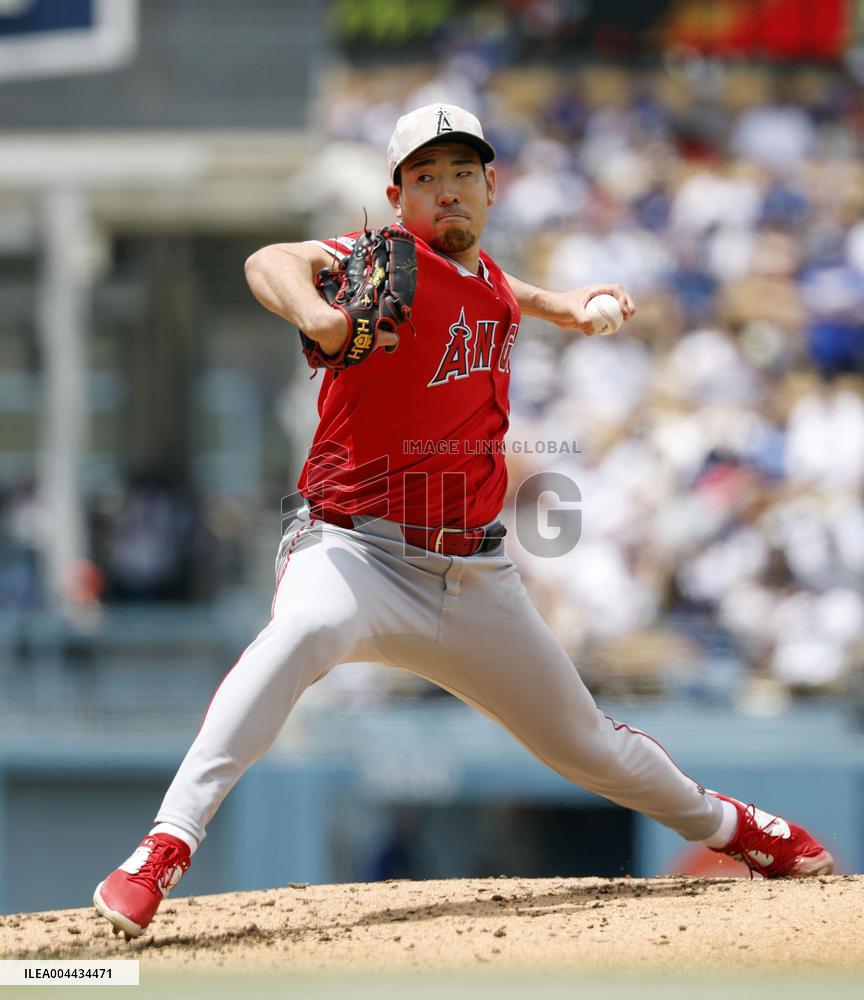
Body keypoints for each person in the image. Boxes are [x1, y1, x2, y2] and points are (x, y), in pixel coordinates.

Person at [93, 104, 832, 940]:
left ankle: (740, 830)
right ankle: (160, 850)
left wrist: (560, 302)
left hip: (476, 576)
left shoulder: (486, 281)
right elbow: (272, 259)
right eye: (425, 178)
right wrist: (320, 316)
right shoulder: (379, 259)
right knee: (297, 638)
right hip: (353, 550)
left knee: (587, 745)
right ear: (396, 196)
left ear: (491, 185)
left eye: (461, 174)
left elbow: (497, 288)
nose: (446, 192)